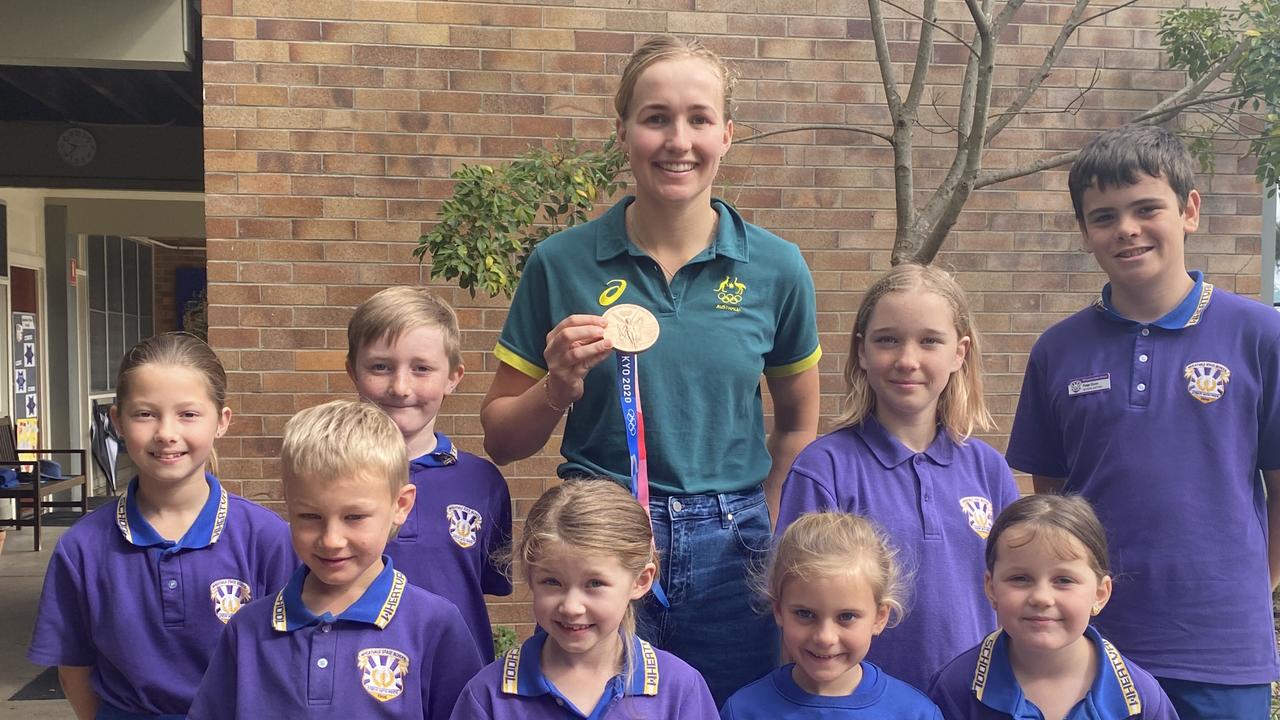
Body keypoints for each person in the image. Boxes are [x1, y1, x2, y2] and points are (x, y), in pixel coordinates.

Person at [480, 34, 822, 703]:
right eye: (656, 117)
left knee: (731, 709)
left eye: (698, 119)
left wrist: (764, 532)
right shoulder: (561, 262)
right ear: (624, 133)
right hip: (597, 539)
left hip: (735, 547)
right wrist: (557, 388)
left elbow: (798, 427)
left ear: (727, 134)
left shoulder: (778, 268)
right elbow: (500, 438)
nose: (677, 140)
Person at [1005, 124, 1280, 717]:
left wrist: (1250, 591)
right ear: (1085, 232)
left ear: (1189, 211)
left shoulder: (1261, 336)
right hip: (1098, 642)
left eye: (1146, 208)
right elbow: (1052, 498)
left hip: (1221, 649)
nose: (1126, 229)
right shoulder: (1058, 350)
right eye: (1103, 216)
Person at [27, 332, 296, 719]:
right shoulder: (82, 547)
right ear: (117, 420)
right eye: (145, 413)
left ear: (222, 421)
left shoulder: (267, 539)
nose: (166, 433)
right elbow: (74, 667)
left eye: (188, 414)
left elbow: (290, 658)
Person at [776, 263, 1018, 691]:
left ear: (958, 353)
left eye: (929, 342)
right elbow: (794, 606)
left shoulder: (988, 469)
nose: (907, 360)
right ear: (862, 351)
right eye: (887, 340)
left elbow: (1015, 590)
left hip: (975, 700)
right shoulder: (824, 469)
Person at [187, 400, 483, 719]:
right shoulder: (248, 628)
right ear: (287, 501)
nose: (331, 540)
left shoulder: (435, 626)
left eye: (354, 517)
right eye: (310, 516)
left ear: (401, 504)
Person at [449, 478, 719, 719]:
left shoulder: (680, 689)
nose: (571, 607)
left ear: (640, 581)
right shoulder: (488, 696)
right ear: (529, 576)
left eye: (594, 584)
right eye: (552, 582)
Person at [347, 286, 513, 661]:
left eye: (421, 369)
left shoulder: (483, 483)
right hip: (356, 679)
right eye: (380, 366)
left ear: (453, 377)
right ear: (352, 370)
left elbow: (481, 587)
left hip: (456, 683)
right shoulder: (328, 474)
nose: (400, 387)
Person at [928, 495, 1178, 719]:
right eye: (1020, 578)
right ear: (991, 587)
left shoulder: (1140, 698)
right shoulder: (956, 688)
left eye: (1064, 580)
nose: (1041, 597)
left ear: (1100, 594)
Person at [720, 511, 942, 719]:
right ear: (779, 611)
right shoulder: (743, 710)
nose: (825, 637)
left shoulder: (914, 713)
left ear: (879, 617)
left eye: (846, 617)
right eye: (805, 614)